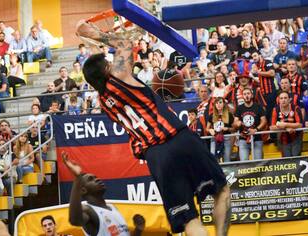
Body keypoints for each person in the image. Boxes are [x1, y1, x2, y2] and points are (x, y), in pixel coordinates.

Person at [77, 20, 230, 235]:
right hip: (176, 137)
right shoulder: (120, 77)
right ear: (106, 69)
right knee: (221, 190)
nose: (112, 62)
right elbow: (123, 43)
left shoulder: (104, 103)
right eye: (108, 61)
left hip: (156, 155)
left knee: (188, 218)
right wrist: (94, 34)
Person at [61, 152, 130, 236]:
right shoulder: (88, 210)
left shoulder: (112, 207)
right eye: (91, 179)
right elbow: (75, 220)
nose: (97, 179)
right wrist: (77, 178)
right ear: (83, 190)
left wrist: (138, 230)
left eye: (96, 177)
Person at [233, 88, 267, 161]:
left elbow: (264, 121)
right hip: (243, 139)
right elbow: (235, 123)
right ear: (242, 96)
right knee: (244, 161)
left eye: (248, 93)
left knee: (258, 162)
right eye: (244, 94)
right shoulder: (239, 108)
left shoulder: (258, 107)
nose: (246, 96)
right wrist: (237, 124)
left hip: (257, 138)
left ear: (252, 95)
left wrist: (256, 129)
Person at [270, 91, 303, 157]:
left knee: (296, 157)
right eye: (281, 98)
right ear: (278, 100)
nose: (283, 100)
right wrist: (286, 128)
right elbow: (272, 127)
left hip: (296, 137)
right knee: (286, 159)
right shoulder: (275, 110)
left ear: (289, 99)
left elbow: (300, 124)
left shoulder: (295, 108)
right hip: (283, 139)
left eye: (285, 98)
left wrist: (284, 124)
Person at [207, 97, 235, 162]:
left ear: (224, 104)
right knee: (214, 159)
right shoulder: (212, 115)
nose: (218, 104)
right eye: (216, 103)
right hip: (214, 139)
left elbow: (234, 129)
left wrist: (227, 128)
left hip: (226, 139)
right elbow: (207, 128)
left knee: (227, 159)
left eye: (220, 102)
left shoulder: (229, 115)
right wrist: (210, 130)